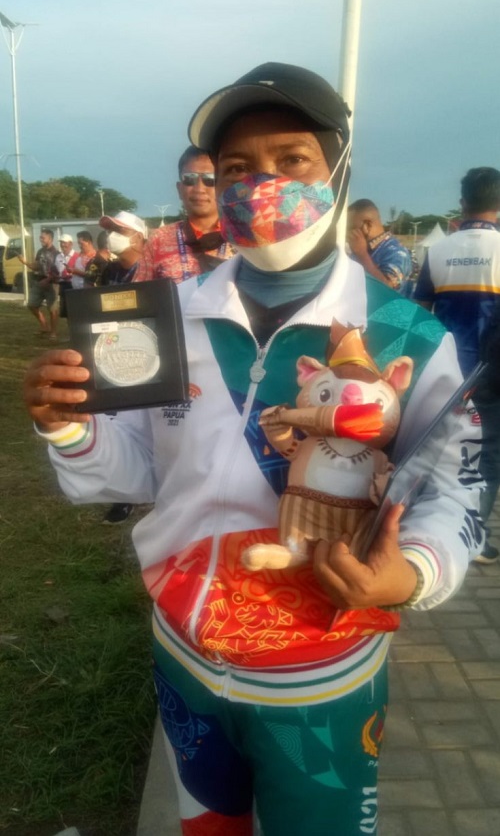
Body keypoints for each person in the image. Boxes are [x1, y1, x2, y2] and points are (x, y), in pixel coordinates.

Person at [23, 62, 485, 836]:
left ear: (338, 171)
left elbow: (457, 486)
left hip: (321, 679)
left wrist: (412, 572)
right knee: (207, 827)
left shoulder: (407, 333)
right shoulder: (164, 317)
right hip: (184, 658)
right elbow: (140, 470)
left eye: (291, 159)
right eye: (236, 167)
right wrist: (67, 424)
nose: (260, 183)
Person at [414, 167, 500, 564]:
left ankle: (421, 523)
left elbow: (420, 314)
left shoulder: (437, 251)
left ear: (462, 203)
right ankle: (474, 537)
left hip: (444, 370)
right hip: (492, 375)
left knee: (435, 448)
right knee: (488, 454)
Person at [97, 210, 149, 525]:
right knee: (119, 427)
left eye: (120, 230)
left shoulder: (154, 269)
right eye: (110, 230)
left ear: (139, 238)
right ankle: (125, 495)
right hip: (116, 355)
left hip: (151, 358)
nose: (112, 236)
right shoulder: (111, 271)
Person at [133, 146, 233, 282]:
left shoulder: (244, 236)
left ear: (223, 187)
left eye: (210, 179)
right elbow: (142, 292)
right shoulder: (158, 239)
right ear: (179, 189)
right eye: (190, 179)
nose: (199, 189)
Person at [347, 199, 413, 293]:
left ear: (367, 225)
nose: (347, 233)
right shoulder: (361, 249)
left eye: (351, 228)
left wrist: (362, 254)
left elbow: (387, 289)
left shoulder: (397, 252)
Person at [19, 227, 59, 339]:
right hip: (39, 281)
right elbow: (36, 266)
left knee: (52, 309)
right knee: (31, 304)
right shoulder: (40, 251)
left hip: (52, 283)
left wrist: (48, 280)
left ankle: (53, 332)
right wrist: (25, 262)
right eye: (40, 237)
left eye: (43, 238)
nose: (41, 240)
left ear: (50, 239)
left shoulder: (57, 254)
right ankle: (44, 326)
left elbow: (58, 272)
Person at [55, 234, 78, 319]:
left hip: (73, 285)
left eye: (65, 243)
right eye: (61, 242)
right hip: (63, 285)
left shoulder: (77, 256)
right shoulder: (58, 256)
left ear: (71, 244)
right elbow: (57, 270)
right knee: (65, 311)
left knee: (74, 309)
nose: (62, 245)